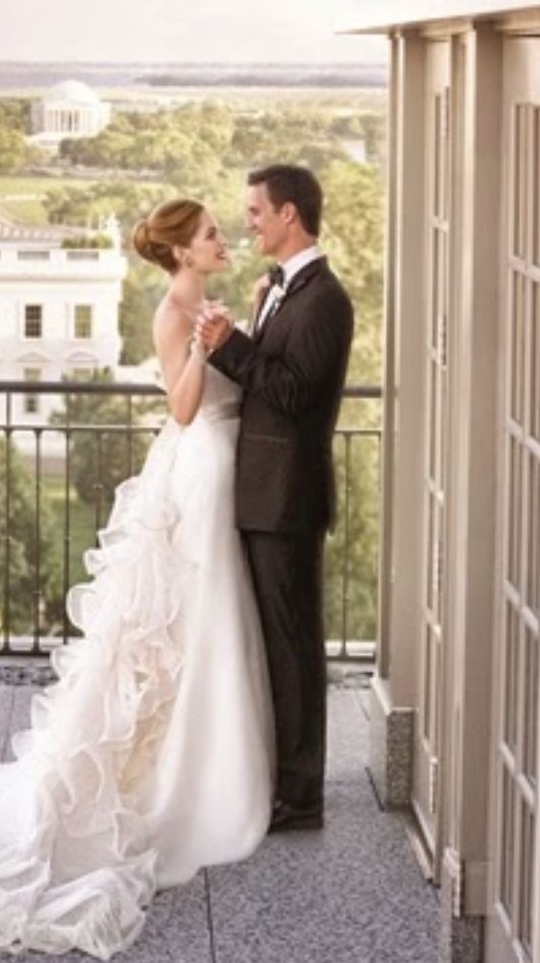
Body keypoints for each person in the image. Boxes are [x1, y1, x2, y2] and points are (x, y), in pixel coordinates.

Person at [0, 197, 272, 959]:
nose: (222, 240)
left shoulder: (202, 301)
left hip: (220, 463)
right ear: (181, 252)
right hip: (198, 463)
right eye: (211, 233)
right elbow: (181, 408)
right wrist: (211, 347)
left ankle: (207, 768)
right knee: (189, 620)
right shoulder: (174, 313)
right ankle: (175, 788)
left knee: (209, 623)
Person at [198, 164, 356, 830]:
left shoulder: (326, 300)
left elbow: (294, 394)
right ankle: (281, 778)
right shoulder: (282, 289)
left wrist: (228, 345)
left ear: (290, 214)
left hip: (288, 497)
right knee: (275, 645)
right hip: (263, 492)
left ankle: (302, 796)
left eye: (257, 212)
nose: (249, 223)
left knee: (294, 647)